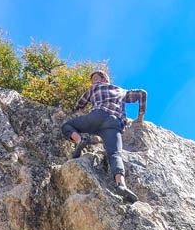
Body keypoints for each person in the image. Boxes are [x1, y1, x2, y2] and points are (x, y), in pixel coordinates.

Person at [62, 71, 147, 204]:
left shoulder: (94, 88)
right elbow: (142, 93)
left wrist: (74, 108)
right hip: (114, 124)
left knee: (67, 125)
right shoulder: (122, 91)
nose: (94, 81)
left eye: (95, 79)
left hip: (98, 116)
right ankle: (121, 185)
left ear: (104, 79)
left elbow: (80, 103)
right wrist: (140, 117)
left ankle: (79, 141)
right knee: (115, 154)